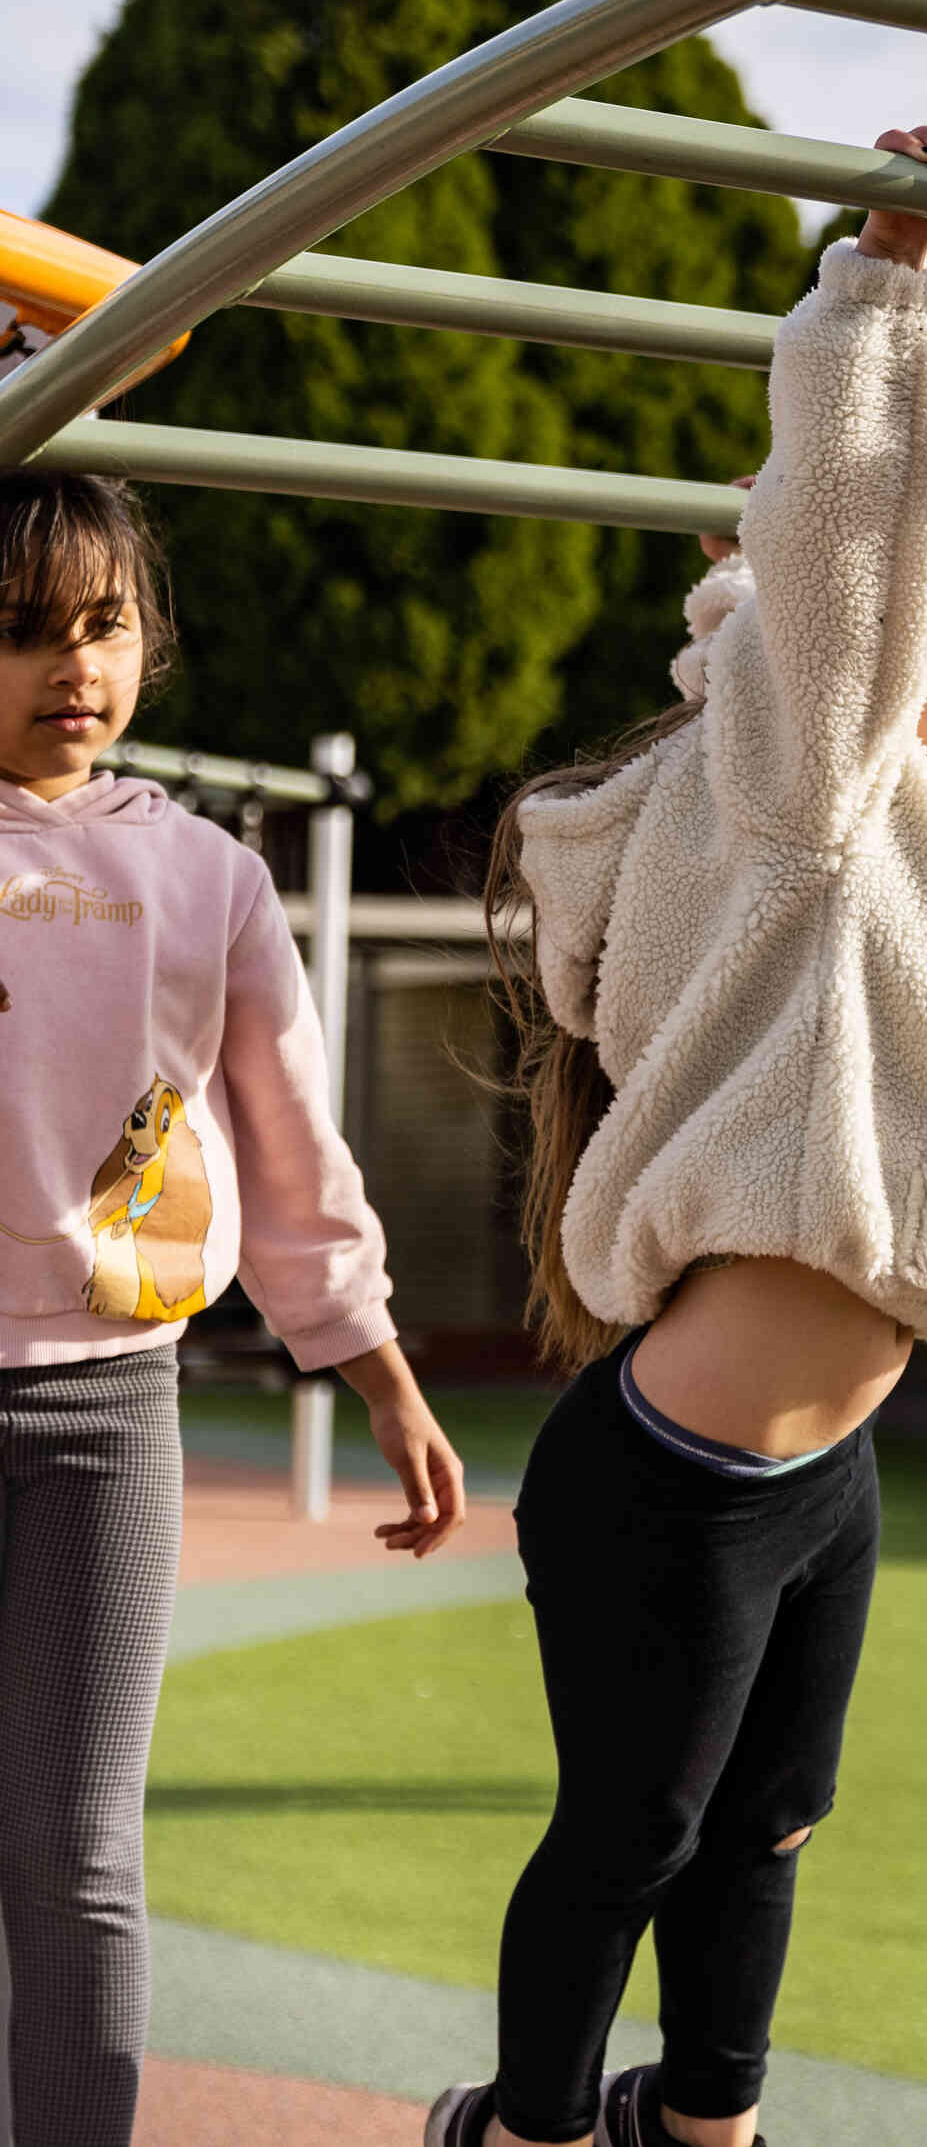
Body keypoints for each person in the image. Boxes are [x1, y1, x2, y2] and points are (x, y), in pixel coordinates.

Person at [426, 121, 927, 2147]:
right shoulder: (812, 793)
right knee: (633, 1836)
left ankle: (699, 2128)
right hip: (676, 1484)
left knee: (767, 1833)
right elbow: (842, 541)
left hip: (829, 1480)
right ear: (877, 682)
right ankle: (522, 2130)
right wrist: (882, 280)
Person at [0, 468, 467, 2147]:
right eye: (21, 632)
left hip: (107, 1410)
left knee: (75, 1849)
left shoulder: (209, 882)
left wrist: (384, 1371)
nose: (73, 664)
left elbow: (289, 1150)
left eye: (106, 624)